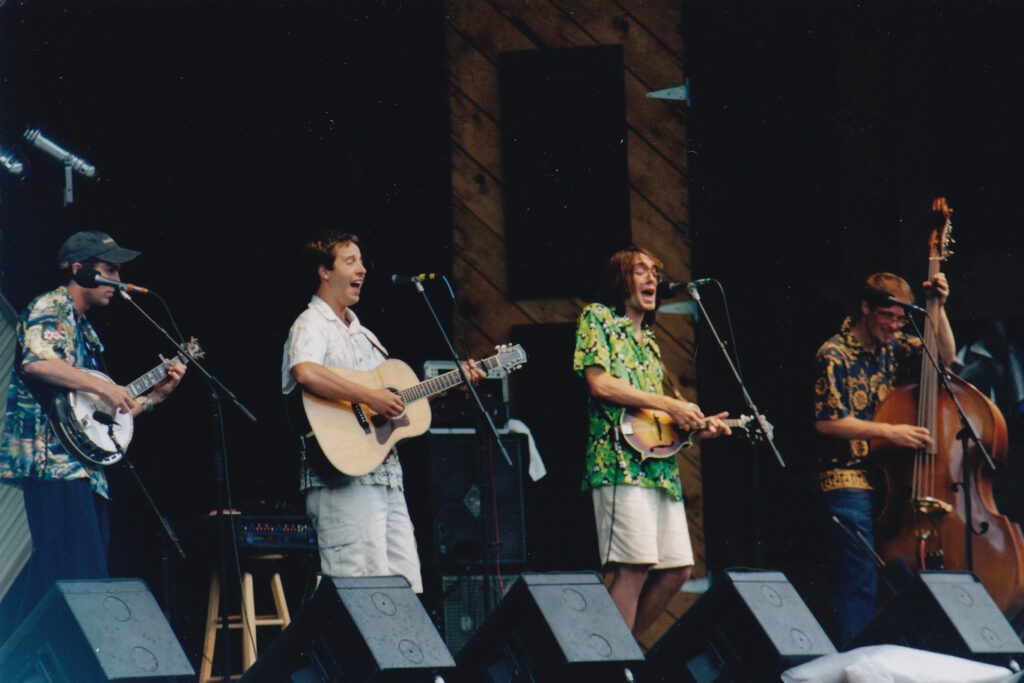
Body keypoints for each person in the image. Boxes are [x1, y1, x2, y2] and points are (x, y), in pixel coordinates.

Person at [0, 231, 186, 618]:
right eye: (109, 270)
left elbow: (95, 417)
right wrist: (102, 388)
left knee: (75, 582)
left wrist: (153, 398)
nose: (117, 282)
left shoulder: (86, 330)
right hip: (53, 468)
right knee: (79, 586)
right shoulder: (51, 306)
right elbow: (36, 362)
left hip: (82, 470)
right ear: (79, 270)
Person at [282, 230, 481, 593]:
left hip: (385, 477)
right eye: (350, 261)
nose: (362, 269)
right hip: (341, 478)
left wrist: (452, 382)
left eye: (362, 261)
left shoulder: (365, 335)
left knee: (401, 587)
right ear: (324, 272)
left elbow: (396, 402)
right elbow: (305, 372)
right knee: (357, 590)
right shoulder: (310, 324)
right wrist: (370, 396)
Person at [573, 245, 730, 639]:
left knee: (677, 571)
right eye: (640, 270)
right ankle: (614, 667)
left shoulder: (650, 342)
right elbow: (600, 383)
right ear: (619, 281)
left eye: (655, 272)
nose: (652, 278)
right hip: (617, 463)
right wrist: (669, 405)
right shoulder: (598, 318)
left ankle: (620, 651)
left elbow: (656, 417)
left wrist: (697, 424)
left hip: (658, 466)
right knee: (634, 566)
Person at [813, 271, 955, 646]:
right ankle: (856, 662)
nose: (894, 326)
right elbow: (827, 423)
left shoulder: (895, 344)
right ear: (865, 308)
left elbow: (945, 356)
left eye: (899, 319)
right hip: (846, 478)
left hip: (888, 478)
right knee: (858, 576)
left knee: (899, 572)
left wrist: (936, 309)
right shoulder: (833, 353)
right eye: (887, 317)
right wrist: (890, 432)